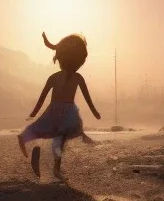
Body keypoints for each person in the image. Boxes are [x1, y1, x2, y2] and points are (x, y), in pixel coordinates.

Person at [17, 32, 101, 179]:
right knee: (60, 139)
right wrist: (95, 112)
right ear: (79, 61)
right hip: (68, 112)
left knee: (42, 129)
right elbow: (88, 99)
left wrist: (34, 112)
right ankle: (56, 168)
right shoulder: (78, 78)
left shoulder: (53, 77)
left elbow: (42, 98)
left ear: (60, 57)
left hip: (53, 110)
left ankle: (25, 139)